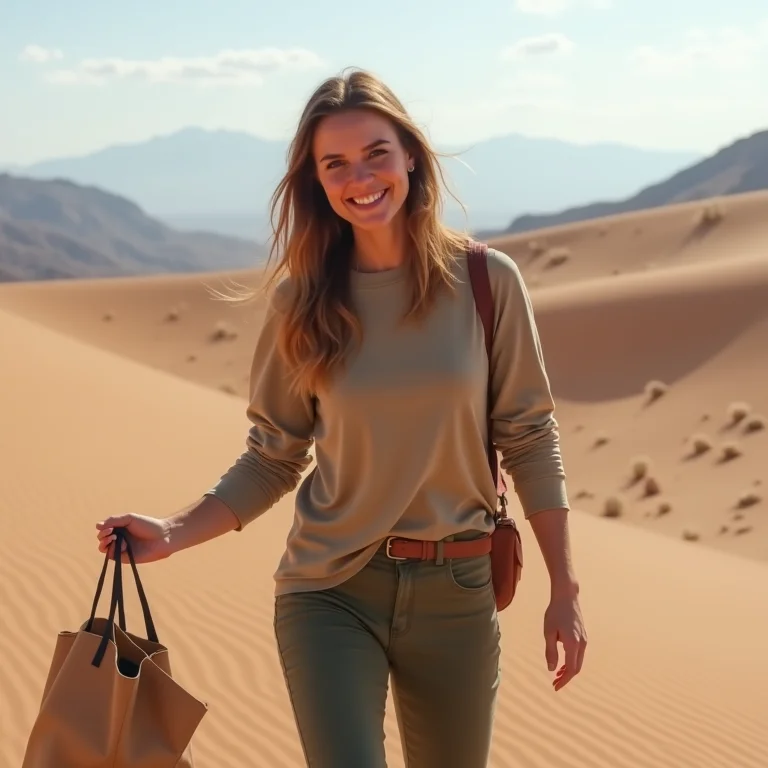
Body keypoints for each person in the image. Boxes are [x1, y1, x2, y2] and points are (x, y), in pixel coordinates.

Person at [95, 67, 587, 768]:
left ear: (410, 155)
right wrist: (173, 532)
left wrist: (564, 590)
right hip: (330, 591)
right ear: (317, 182)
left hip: (460, 589)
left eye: (376, 153)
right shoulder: (302, 301)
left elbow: (531, 437)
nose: (361, 177)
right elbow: (273, 454)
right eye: (337, 164)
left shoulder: (486, 282)